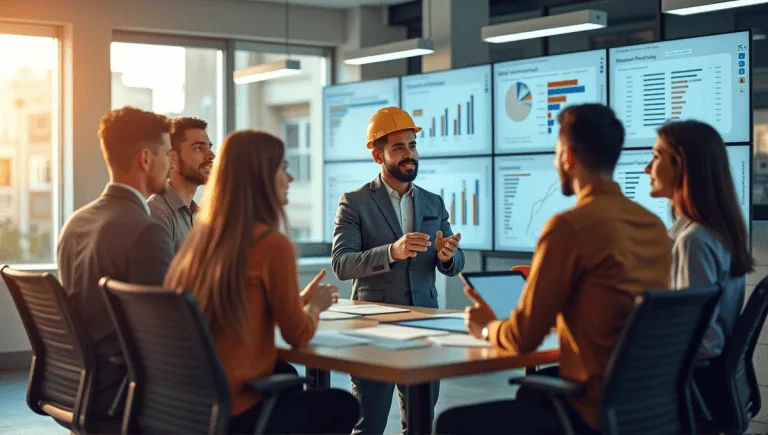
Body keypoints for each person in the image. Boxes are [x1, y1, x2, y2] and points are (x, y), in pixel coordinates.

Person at [437, 104, 672, 434]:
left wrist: (487, 327)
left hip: (590, 411)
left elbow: (523, 338)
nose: (554, 162)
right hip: (648, 407)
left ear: (568, 157)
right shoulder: (654, 226)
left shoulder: (569, 227)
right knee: (530, 396)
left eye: (556, 152)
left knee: (451, 423)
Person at [164, 129, 359, 435]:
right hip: (240, 410)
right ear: (262, 178)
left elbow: (239, 308)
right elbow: (298, 335)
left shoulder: (201, 240)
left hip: (192, 409)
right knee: (342, 405)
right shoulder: (271, 244)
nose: (290, 178)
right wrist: (316, 307)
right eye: (283, 168)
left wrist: (297, 301)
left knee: (288, 376)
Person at [332, 106, 465, 434]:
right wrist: (392, 252)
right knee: (370, 425)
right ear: (378, 156)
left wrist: (447, 256)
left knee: (420, 425)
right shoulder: (354, 202)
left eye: (412, 145)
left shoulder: (433, 202)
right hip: (373, 329)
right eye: (399, 147)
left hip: (424, 326)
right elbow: (342, 263)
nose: (410, 154)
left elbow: (454, 262)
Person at [57, 106, 175, 417]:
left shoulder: (74, 223)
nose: (171, 164)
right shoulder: (147, 232)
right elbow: (165, 337)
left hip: (79, 385)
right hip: (124, 392)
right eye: (167, 154)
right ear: (145, 158)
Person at [645, 120, 753, 360]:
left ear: (681, 165)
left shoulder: (693, 241)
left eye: (656, 157)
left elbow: (705, 343)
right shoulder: (717, 232)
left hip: (691, 378)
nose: (647, 168)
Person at [148, 117, 215, 252]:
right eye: (198, 148)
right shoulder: (157, 213)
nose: (211, 155)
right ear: (173, 159)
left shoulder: (200, 216)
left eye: (209, 147)